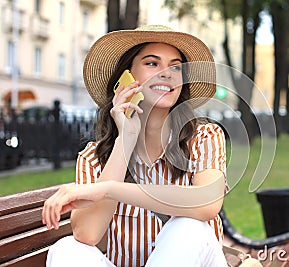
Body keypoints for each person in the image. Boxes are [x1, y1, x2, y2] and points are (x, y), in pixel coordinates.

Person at [42, 25, 228, 267]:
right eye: (152, 63)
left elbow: (205, 203)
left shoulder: (203, 136)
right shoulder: (93, 157)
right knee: (66, 249)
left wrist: (107, 190)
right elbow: (87, 234)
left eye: (175, 67)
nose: (167, 73)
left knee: (187, 225)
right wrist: (125, 140)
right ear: (125, 79)